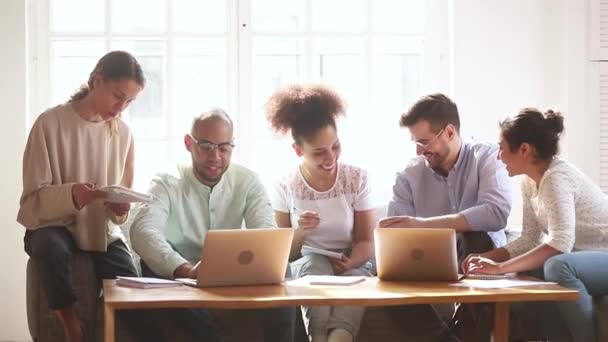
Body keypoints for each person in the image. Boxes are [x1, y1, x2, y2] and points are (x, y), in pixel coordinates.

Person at [130, 108, 295, 342]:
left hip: (233, 274)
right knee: (151, 264)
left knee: (282, 267)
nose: (215, 157)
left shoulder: (247, 180)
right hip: (180, 275)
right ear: (189, 143)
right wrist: (185, 269)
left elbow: (267, 233)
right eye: (206, 147)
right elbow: (142, 230)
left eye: (224, 148)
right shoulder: (165, 181)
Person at [18, 50, 150, 342]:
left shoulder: (123, 134)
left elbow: (119, 207)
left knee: (131, 283)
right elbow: (32, 200)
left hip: (99, 229)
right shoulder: (49, 123)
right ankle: (71, 327)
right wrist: (73, 194)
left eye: (129, 101)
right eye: (118, 96)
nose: (121, 107)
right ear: (97, 81)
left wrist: (120, 208)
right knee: (50, 246)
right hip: (52, 225)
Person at [462, 108, 608, 342]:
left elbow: (561, 242)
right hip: (585, 257)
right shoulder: (529, 182)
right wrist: (486, 258)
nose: (498, 156)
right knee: (525, 276)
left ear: (524, 149)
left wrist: (501, 268)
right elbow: (530, 238)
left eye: (501, 148)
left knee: (557, 266)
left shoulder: (556, 178)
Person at [264, 83, 376, 342]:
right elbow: (284, 254)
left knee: (357, 279)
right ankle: (319, 335)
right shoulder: (284, 184)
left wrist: (352, 262)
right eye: (319, 152)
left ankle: (339, 336)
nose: (331, 158)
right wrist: (301, 231)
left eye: (335, 147)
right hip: (308, 262)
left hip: (352, 260)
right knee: (315, 266)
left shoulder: (357, 178)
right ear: (298, 150)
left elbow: (366, 241)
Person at [380, 93, 512, 261]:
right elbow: (396, 235)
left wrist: (423, 226)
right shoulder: (408, 176)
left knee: (474, 236)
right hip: (426, 261)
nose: (419, 152)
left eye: (424, 142)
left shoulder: (488, 157)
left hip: (480, 261)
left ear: (449, 132)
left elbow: (496, 213)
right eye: (415, 143)